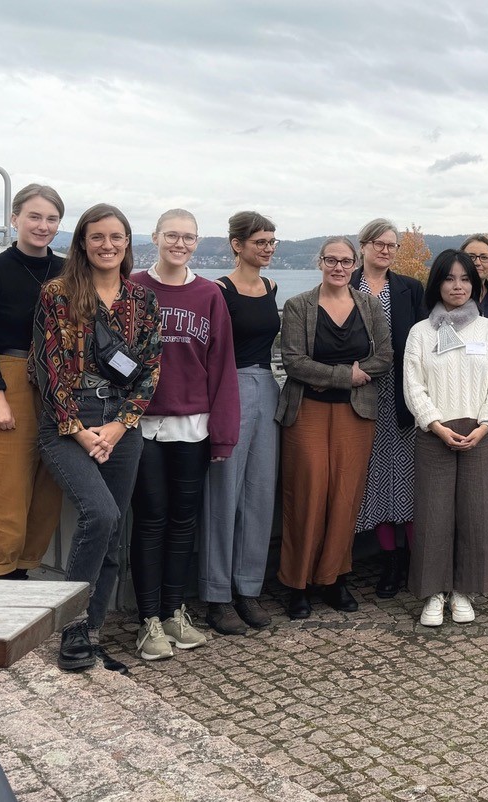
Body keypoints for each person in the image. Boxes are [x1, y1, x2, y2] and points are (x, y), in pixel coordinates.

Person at [33, 204, 162, 672]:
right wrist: (82, 433)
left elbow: (149, 372)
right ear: (82, 243)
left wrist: (119, 424)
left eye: (116, 237)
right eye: (97, 237)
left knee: (112, 534)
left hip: (121, 425)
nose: (107, 245)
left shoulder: (142, 301)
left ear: (128, 243)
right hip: (68, 423)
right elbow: (49, 372)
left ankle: (90, 633)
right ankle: (71, 629)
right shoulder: (59, 294)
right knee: (100, 512)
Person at [129, 210, 239, 659]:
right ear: (155, 237)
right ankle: (147, 620)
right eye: (171, 235)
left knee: (182, 522)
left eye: (188, 237)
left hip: (192, 426)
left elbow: (221, 364)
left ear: (197, 243)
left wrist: (223, 434)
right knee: (150, 519)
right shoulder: (133, 287)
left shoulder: (209, 294)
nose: (179, 243)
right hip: (140, 425)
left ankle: (174, 611)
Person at [276, 237, 392, 620]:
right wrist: (345, 374)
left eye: (345, 261)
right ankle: (297, 583)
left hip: (354, 415)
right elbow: (294, 362)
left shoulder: (370, 306)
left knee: (344, 498)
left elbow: (385, 357)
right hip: (307, 412)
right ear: (320, 262)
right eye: (331, 260)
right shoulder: (298, 306)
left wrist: (334, 379)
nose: (338, 267)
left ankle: (333, 578)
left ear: (355, 264)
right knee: (306, 495)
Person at [403, 250, 488, 626]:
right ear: (438, 284)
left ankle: (463, 590)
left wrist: (485, 425)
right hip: (434, 434)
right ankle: (434, 592)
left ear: (475, 285)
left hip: (480, 433)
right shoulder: (420, 332)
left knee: (475, 514)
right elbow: (413, 386)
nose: (458, 286)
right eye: (450, 278)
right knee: (433, 516)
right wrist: (435, 424)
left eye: (465, 279)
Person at [0, 183, 65, 580]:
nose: (43, 225)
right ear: (15, 219)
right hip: (9, 379)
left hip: (57, 384)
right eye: (34, 216)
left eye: (51, 218)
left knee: (47, 497)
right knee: (6, 496)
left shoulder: (67, 270)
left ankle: (22, 581)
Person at [201, 211, 280, 635]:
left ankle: (248, 587)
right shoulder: (219, 290)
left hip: (267, 388)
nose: (267, 248)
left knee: (259, 493)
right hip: (230, 389)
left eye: (271, 242)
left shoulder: (271, 287)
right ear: (237, 244)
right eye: (259, 242)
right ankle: (217, 595)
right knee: (224, 494)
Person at [350, 218, 426, 598]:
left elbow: (427, 339)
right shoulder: (347, 285)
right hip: (360, 393)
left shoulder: (410, 289)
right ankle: (388, 561)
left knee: (409, 482)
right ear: (362, 246)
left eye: (391, 245)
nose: (385, 250)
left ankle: (413, 562)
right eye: (378, 243)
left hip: (403, 394)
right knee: (374, 482)